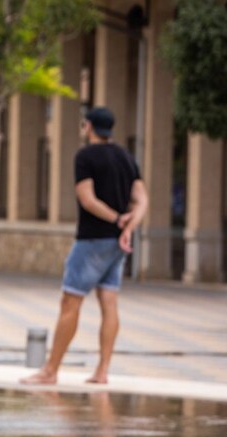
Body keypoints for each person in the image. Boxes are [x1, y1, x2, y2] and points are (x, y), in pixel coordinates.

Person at [22, 106, 148, 387]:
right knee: (109, 302)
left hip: (92, 240)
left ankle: (50, 370)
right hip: (118, 244)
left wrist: (117, 220)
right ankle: (102, 371)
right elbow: (142, 200)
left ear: (88, 127)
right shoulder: (127, 158)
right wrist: (128, 226)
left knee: (70, 302)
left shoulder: (85, 156)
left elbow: (87, 199)